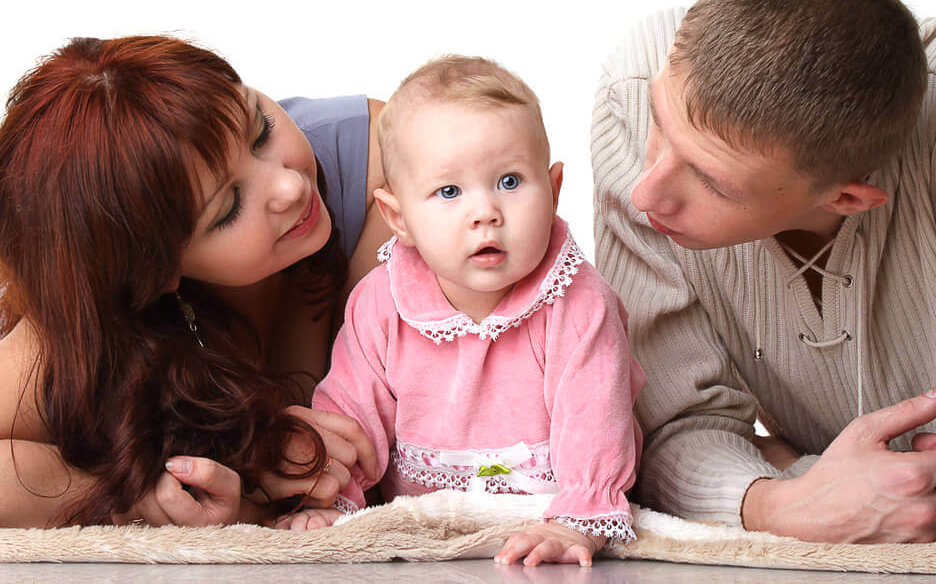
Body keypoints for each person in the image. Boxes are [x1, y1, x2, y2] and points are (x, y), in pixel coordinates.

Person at [592, 0, 936, 544]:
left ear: (848, 199)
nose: (645, 192)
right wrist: (779, 504)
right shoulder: (637, 85)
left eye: (710, 181)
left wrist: (799, 470)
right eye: (662, 122)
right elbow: (670, 427)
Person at [0, 35, 393, 527]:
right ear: (156, 271)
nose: (289, 185)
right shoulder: (81, 331)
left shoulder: (388, 165)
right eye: (228, 207)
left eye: (262, 128)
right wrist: (141, 492)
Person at [279, 56, 646, 566]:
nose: (485, 213)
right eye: (449, 192)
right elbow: (352, 410)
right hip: (421, 522)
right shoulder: (382, 301)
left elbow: (597, 415)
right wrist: (335, 501)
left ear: (555, 189)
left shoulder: (576, 300)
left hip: (547, 509)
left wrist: (577, 521)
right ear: (398, 218)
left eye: (511, 182)